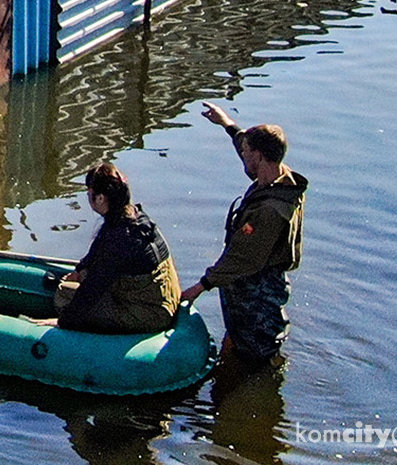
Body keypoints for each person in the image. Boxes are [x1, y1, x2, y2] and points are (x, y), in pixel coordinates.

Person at [180, 102, 306, 366]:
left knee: (254, 356)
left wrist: (199, 287)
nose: (242, 155)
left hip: (256, 293)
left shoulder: (270, 210)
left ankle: (261, 382)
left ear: (259, 156)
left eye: (247, 152)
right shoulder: (277, 177)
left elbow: (242, 258)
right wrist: (226, 123)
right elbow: (245, 145)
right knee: (237, 343)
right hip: (247, 286)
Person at [37, 163, 180, 334]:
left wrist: (63, 322)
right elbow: (98, 249)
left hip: (151, 314)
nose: (88, 196)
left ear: (100, 198)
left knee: (64, 295)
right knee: (82, 276)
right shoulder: (134, 217)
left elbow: (93, 289)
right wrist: (80, 270)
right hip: (162, 299)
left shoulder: (120, 240)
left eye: (89, 193)